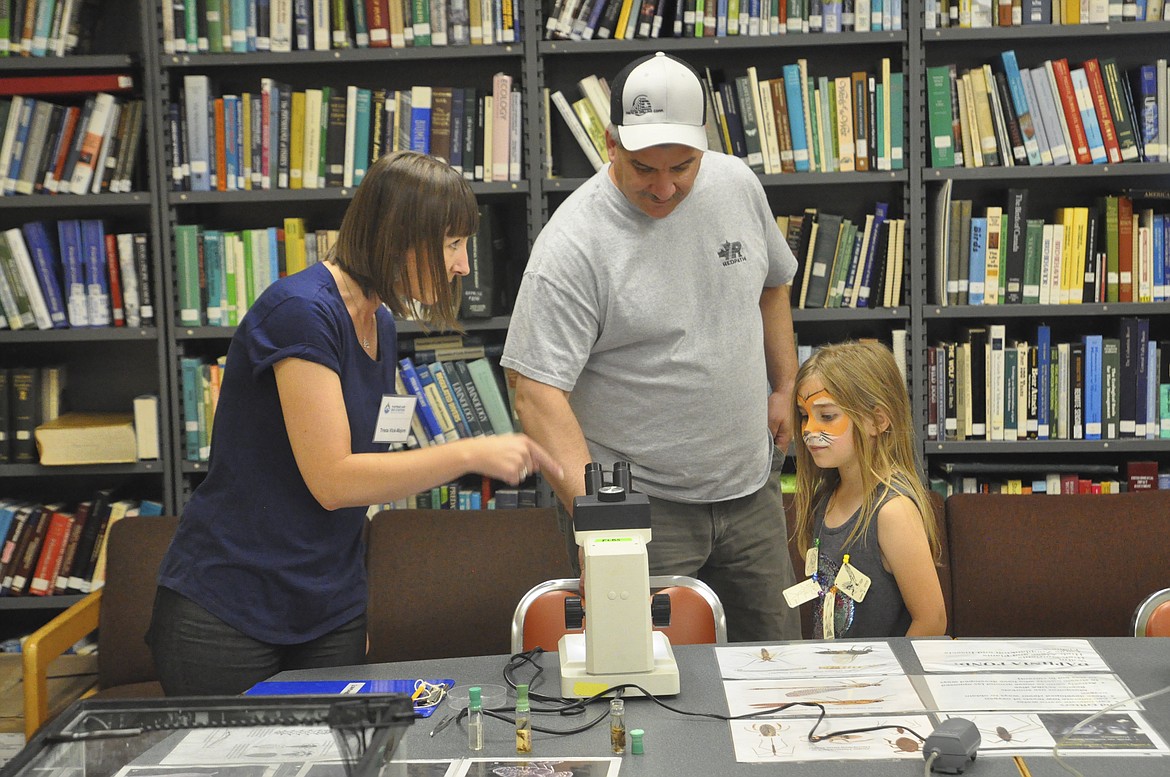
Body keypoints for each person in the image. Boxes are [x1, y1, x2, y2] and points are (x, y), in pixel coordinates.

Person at [148, 151, 561, 696]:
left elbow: (369, 471)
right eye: (453, 244)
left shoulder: (379, 321)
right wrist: (471, 452)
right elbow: (334, 481)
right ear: (400, 237)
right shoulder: (300, 311)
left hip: (326, 603)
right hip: (230, 606)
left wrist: (351, 606)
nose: (463, 264)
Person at [500, 52, 801, 643]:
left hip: (751, 488)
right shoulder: (573, 244)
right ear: (610, 143)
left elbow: (773, 282)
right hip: (641, 510)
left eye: (682, 167)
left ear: (703, 146)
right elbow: (535, 393)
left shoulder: (737, 184)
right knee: (647, 681)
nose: (664, 189)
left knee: (777, 663)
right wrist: (603, 526)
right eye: (643, 168)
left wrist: (786, 385)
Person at [790, 341, 946, 639]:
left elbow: (932, 620)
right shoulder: (827, 498)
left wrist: (891, 682)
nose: (808, 429)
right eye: (804, 415)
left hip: (881, 683)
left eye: (827, 416)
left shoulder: (892, 511)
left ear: (877, 420)